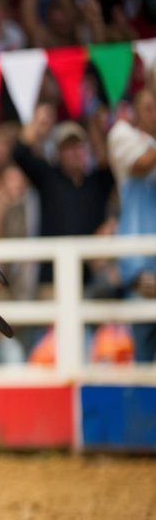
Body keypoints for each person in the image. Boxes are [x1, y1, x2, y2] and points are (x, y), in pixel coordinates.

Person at [13, 105, 117, 292]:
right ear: (58, 153)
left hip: (92, 282)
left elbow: (108, 161)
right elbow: (20, 152)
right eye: (68, 148)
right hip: (52, 281)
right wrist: (37, 122)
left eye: (78, 146)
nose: (75, 152)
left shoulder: (97, 182)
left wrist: (95, 126)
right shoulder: (48, 178)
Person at [107, 86, 156, 361]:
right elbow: (140, 164)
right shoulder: (123, 136)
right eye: (148, 107)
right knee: (144, 358)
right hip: (141, 268)